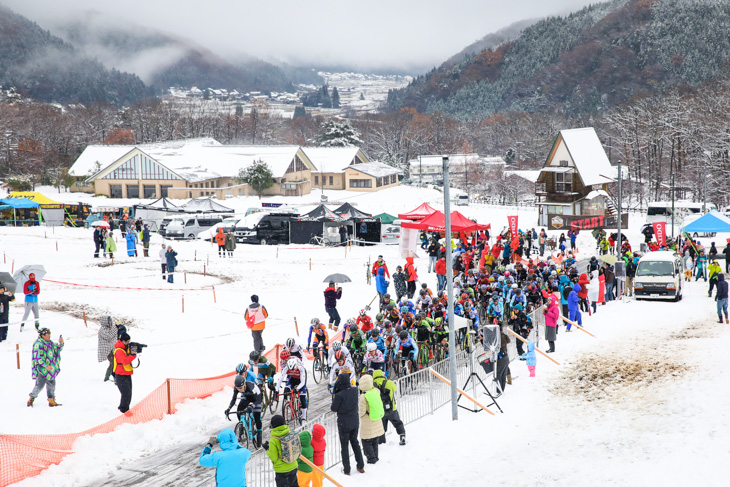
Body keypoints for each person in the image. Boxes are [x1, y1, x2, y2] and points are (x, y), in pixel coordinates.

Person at [330, 373, 365, 475]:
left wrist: (336, 392)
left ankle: (347, 469)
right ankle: (360, 465)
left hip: (343, 423)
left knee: (344, 446)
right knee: (355, 443)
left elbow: (333, 408)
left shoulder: (339, 395)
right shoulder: (354, 390)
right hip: (354, 421)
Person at [226, 364, 263, 447]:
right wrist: (229, 408)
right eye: (238, 389)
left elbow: (258, 399)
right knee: (239, 409)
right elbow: (234, 399)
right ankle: (242, 425)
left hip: (256, 396)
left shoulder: (251, 383)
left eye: (240, 388)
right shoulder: (237, 385)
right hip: (246, 395)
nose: (239, 390)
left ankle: (259, 433)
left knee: (257, 416)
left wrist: (252, 406)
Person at [27, 327, 64, 407]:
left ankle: (51, 400)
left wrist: (61, 343)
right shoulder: (38, 344)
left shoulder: (50, 343)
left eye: (49, 334)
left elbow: (57, 349)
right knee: (39, 386)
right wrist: (46, 365)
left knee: (52, 384)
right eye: (47, 334)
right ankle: (31, 398)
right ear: (43, 335)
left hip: (51, 369)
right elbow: (38, 357)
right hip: (42, 369)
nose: (49, 336)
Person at [372, 369, 406, 445]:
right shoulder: (389, 383)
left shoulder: (373, 385)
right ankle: (402, 436)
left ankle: (381, 443)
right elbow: (395, 388)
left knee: (381, 428)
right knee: (398, 423)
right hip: (392, 409)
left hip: (380, 411)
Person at [263, 415, 299, 487]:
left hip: (282, 470)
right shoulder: (289, 433)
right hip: (293, 465)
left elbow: (274, 457)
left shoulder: (273, 440)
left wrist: (267, 449)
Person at [358, 374, 384, 464]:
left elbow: (361, 411)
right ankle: (375, 457)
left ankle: (371, 459)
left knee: (366, 441)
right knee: (374, 440)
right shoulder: (376, 391)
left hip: (367, 422)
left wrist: (361, 415)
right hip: (377, 419)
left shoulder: (363, 396)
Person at [113, 332, 137, 414]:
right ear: (123, 341)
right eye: (127, 342)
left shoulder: (125, 348)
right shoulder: (119, 351)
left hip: (126, 373)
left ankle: (126, 408)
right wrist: (132, 355)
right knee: (126, 393)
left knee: (129, 392)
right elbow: (125, 361)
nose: (128, 343)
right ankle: (123, 409)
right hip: (120, 375)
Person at [97, 316, 118, 382]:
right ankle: (108, 377)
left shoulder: (109, 328)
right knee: (113, 363)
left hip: (112, 349)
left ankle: (113, 377)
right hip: (108, 351)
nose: (111, 322)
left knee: (114, 363)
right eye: (110, 321)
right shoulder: (102, 330)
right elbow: (109, 336)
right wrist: (116, 327)